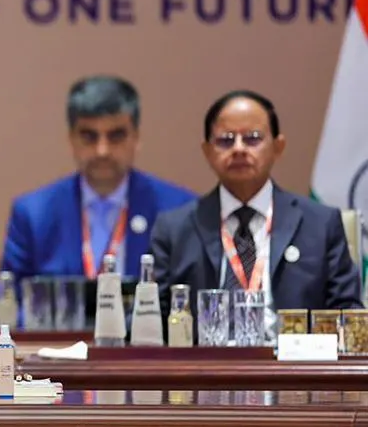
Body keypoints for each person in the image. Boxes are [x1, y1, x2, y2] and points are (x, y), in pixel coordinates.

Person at [151, 90, 363, 328]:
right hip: (207, 351)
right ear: (207, 152)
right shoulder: (175, 229)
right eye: (226, 140)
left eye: (252, 138)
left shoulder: (320, 224)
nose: (238, 149)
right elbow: (154, 319)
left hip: (291, 350)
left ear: (278, 147)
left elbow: (347, 313)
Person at [1, 76, 197, 284]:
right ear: (71, 139)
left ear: (136, 138)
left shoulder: (180, 211)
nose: (102, 151)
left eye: (116, 136)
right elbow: (11, 296)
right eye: (89, 136)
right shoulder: (33, 215)